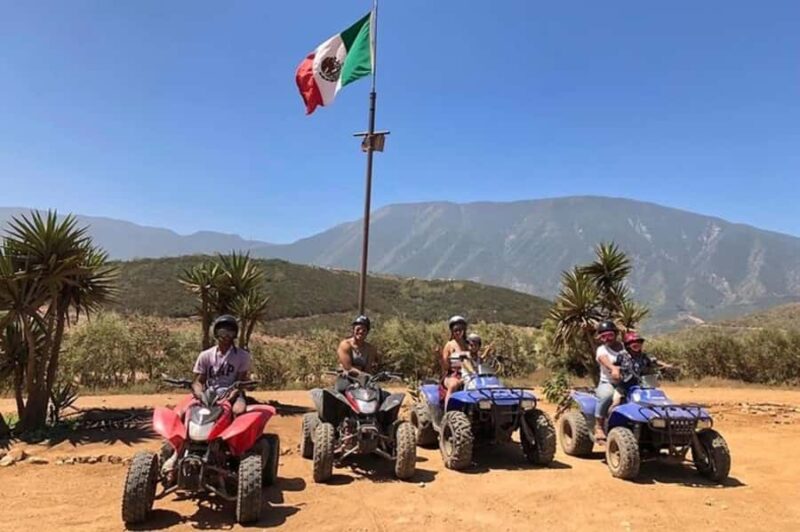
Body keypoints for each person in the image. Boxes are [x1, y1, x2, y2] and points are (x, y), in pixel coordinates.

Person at [192, 314, 252, 416]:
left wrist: (232, 394)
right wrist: (199, 393)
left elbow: (239, 382)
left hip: (231, 393)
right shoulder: (205, 355)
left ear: (235, 335)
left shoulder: (243, 356)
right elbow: (198, 381)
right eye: (222, 332)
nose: (226, 337)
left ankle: (235, 431)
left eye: (230, 333)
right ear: (216, 333)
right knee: (186, 411)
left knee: (238, 411)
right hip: (208, 394)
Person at [611, 331, 673, 408]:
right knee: (616, 403)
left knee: (658, 399)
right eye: (634, 344)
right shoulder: (622, 355)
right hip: (625, 386)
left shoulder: (644, 356)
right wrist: (616, 373)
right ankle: (610, 418)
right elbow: (615, 366)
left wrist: (666, 365)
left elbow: (655, 361)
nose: (637, 345)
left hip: (643, 385)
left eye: (639, 343)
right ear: (627, 345)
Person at [593, 320, 626, 443]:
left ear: (616, 334)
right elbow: (604, 360)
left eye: (610, 335)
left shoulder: (625, 347)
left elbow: (639, 356)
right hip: (608, 382)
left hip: (628, 382)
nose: (607, 339)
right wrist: (613, 368)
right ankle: (599, 426)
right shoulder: (602, 350)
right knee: (606, 396)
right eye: (603, 336)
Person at [335, 315, 379, 391]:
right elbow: (347, 367)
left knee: (378, 393)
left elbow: (368, 368)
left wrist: (367, 377)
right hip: (347, 378)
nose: (361, 332)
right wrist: (363, 374)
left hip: (364, 380)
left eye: (364, 330)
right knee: (341, 390)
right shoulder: (345, 345)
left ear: (367, 332)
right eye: (358, 329)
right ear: (353, 330)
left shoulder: (371, 349)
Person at [441, 315, 470, 407]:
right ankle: (448, 412)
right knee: (454, 385)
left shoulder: (469, 345)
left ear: (464, 330)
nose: (458, 332)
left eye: (460, 329)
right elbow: (445, 367)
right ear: (452, 332)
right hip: (453, 375)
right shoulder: (449, 345)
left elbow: (476, 359)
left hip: (469, 374)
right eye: (455, 330)